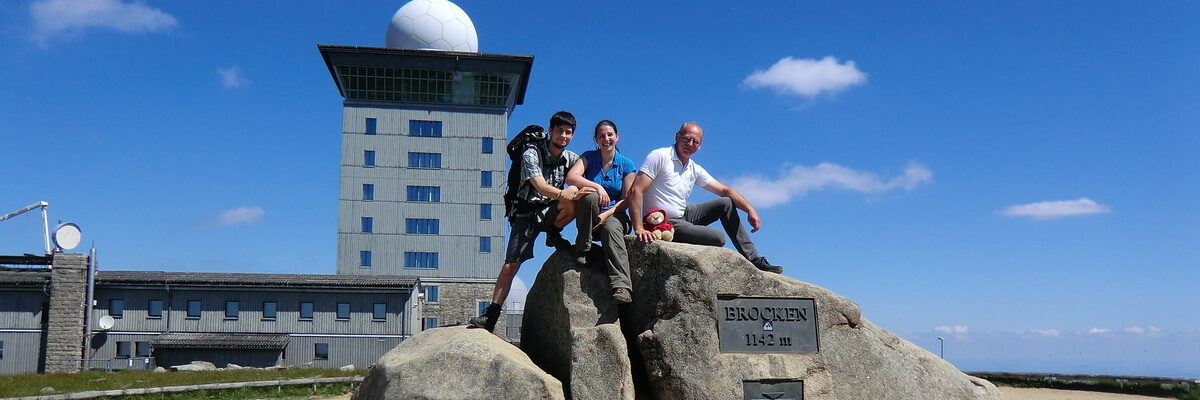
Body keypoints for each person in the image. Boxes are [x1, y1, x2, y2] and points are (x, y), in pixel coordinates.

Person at [469, 111, 595, 332]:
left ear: (573, 135)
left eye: (568, 132)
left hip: (550, 210)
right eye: (559, 131)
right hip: (526, 213)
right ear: (550, 130)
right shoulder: (532, 153)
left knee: (577, 194)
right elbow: (539, 185)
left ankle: (554, 232)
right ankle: (491, 315)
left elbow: (588, 170)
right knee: (511, 266)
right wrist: (566, 194)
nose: (563, 136)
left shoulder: (571, 158)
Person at [627, 122, 784, 274]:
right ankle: (673, 237)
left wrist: (750, 210)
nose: (690, 144)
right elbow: (636, 190)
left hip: (684, 214)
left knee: (726, 203)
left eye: (695, 141)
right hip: (663, 222)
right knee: (718, 238)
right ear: (677, 136)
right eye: (686, 138)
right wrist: (639, 227)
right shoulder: (659, 156)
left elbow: (724, 190)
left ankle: (754, 258)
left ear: (699, 146)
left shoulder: (693, 168)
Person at [566, 120, 638, 304]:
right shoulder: (589, 157)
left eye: (610, 135)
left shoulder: (626, 164)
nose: (606, 139)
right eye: (601, 136)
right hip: (590, 215)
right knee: (589, 197)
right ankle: (582, 249)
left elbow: (627, 199)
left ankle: (621, 287)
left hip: (616, 214)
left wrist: (606, 215)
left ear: (617, 136)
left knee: (611, 229)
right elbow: (571, 177)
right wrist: (598, 187)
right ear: (596, 139)